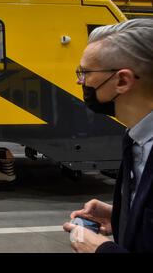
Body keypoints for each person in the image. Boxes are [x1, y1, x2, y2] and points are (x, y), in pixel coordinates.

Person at [63, 18, 153, 253]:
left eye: (84, 73)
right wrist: (123, 214)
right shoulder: (136, 137)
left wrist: (101, 250)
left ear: (122, 80)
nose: (79, 81)